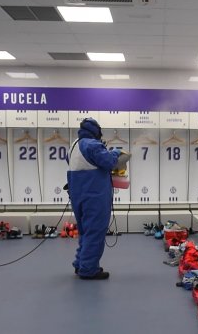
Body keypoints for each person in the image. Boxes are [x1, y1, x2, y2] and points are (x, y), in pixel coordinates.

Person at [67, 118, 120, 280]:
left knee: (85, 231)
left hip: (77, 194)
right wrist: (116, 152)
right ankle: (89, 269)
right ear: (96, 131)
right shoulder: (92, 145)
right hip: (94, 195)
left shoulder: (74, 145)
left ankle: (81, 263)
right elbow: (109, 162)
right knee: (95, 231)